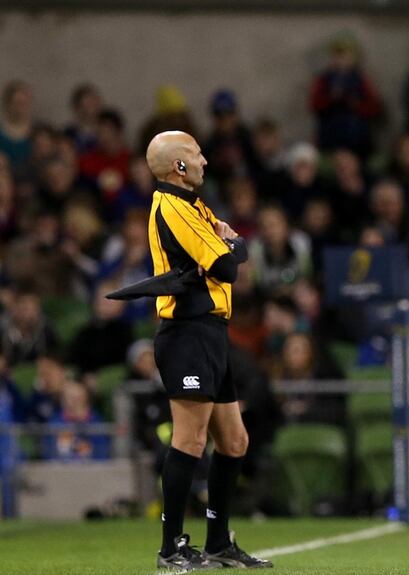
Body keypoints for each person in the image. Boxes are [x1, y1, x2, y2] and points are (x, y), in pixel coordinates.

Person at [144, 131, 270, 570]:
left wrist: (228, 246)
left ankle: (217, 542)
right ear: (178, 166)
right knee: (191, 438)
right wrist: (226, 247)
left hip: (213, 334)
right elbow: (228, 264)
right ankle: (170, 547)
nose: (204, 162)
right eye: (196, 156)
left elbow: (238, 249)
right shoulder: (173, 208)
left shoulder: (195, 206)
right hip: (187, 333)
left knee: (234, 441)